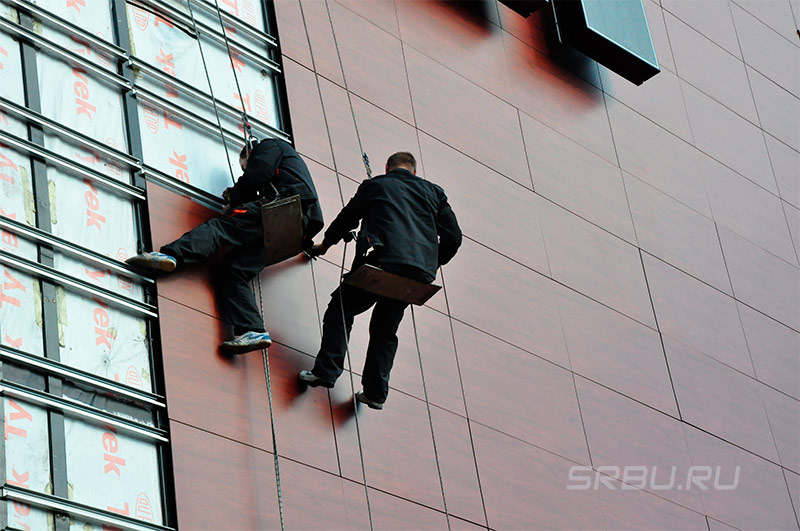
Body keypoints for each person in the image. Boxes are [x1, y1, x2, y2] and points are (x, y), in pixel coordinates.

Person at [126, 137, 323, 354]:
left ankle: (171, 255)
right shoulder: (288, 164)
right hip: (294, 232)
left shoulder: (270, 145)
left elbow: (256, 174)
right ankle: (253, 329)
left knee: (220, 227)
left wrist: (233, 199)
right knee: (232, 271)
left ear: (250, 153)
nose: (246, 169)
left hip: (284, 208)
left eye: (245, 166)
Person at [299, 152, 461, 410]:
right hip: (417, 276)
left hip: (383, 261)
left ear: (387, 168)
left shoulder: (377, 184)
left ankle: (327, 370)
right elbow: (454, 238)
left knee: (341, 307)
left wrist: (326, 245)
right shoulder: (435, 193)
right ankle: (375, 393)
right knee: (386, 330)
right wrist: (430, 263)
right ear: (414, 172)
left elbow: (347, 218)